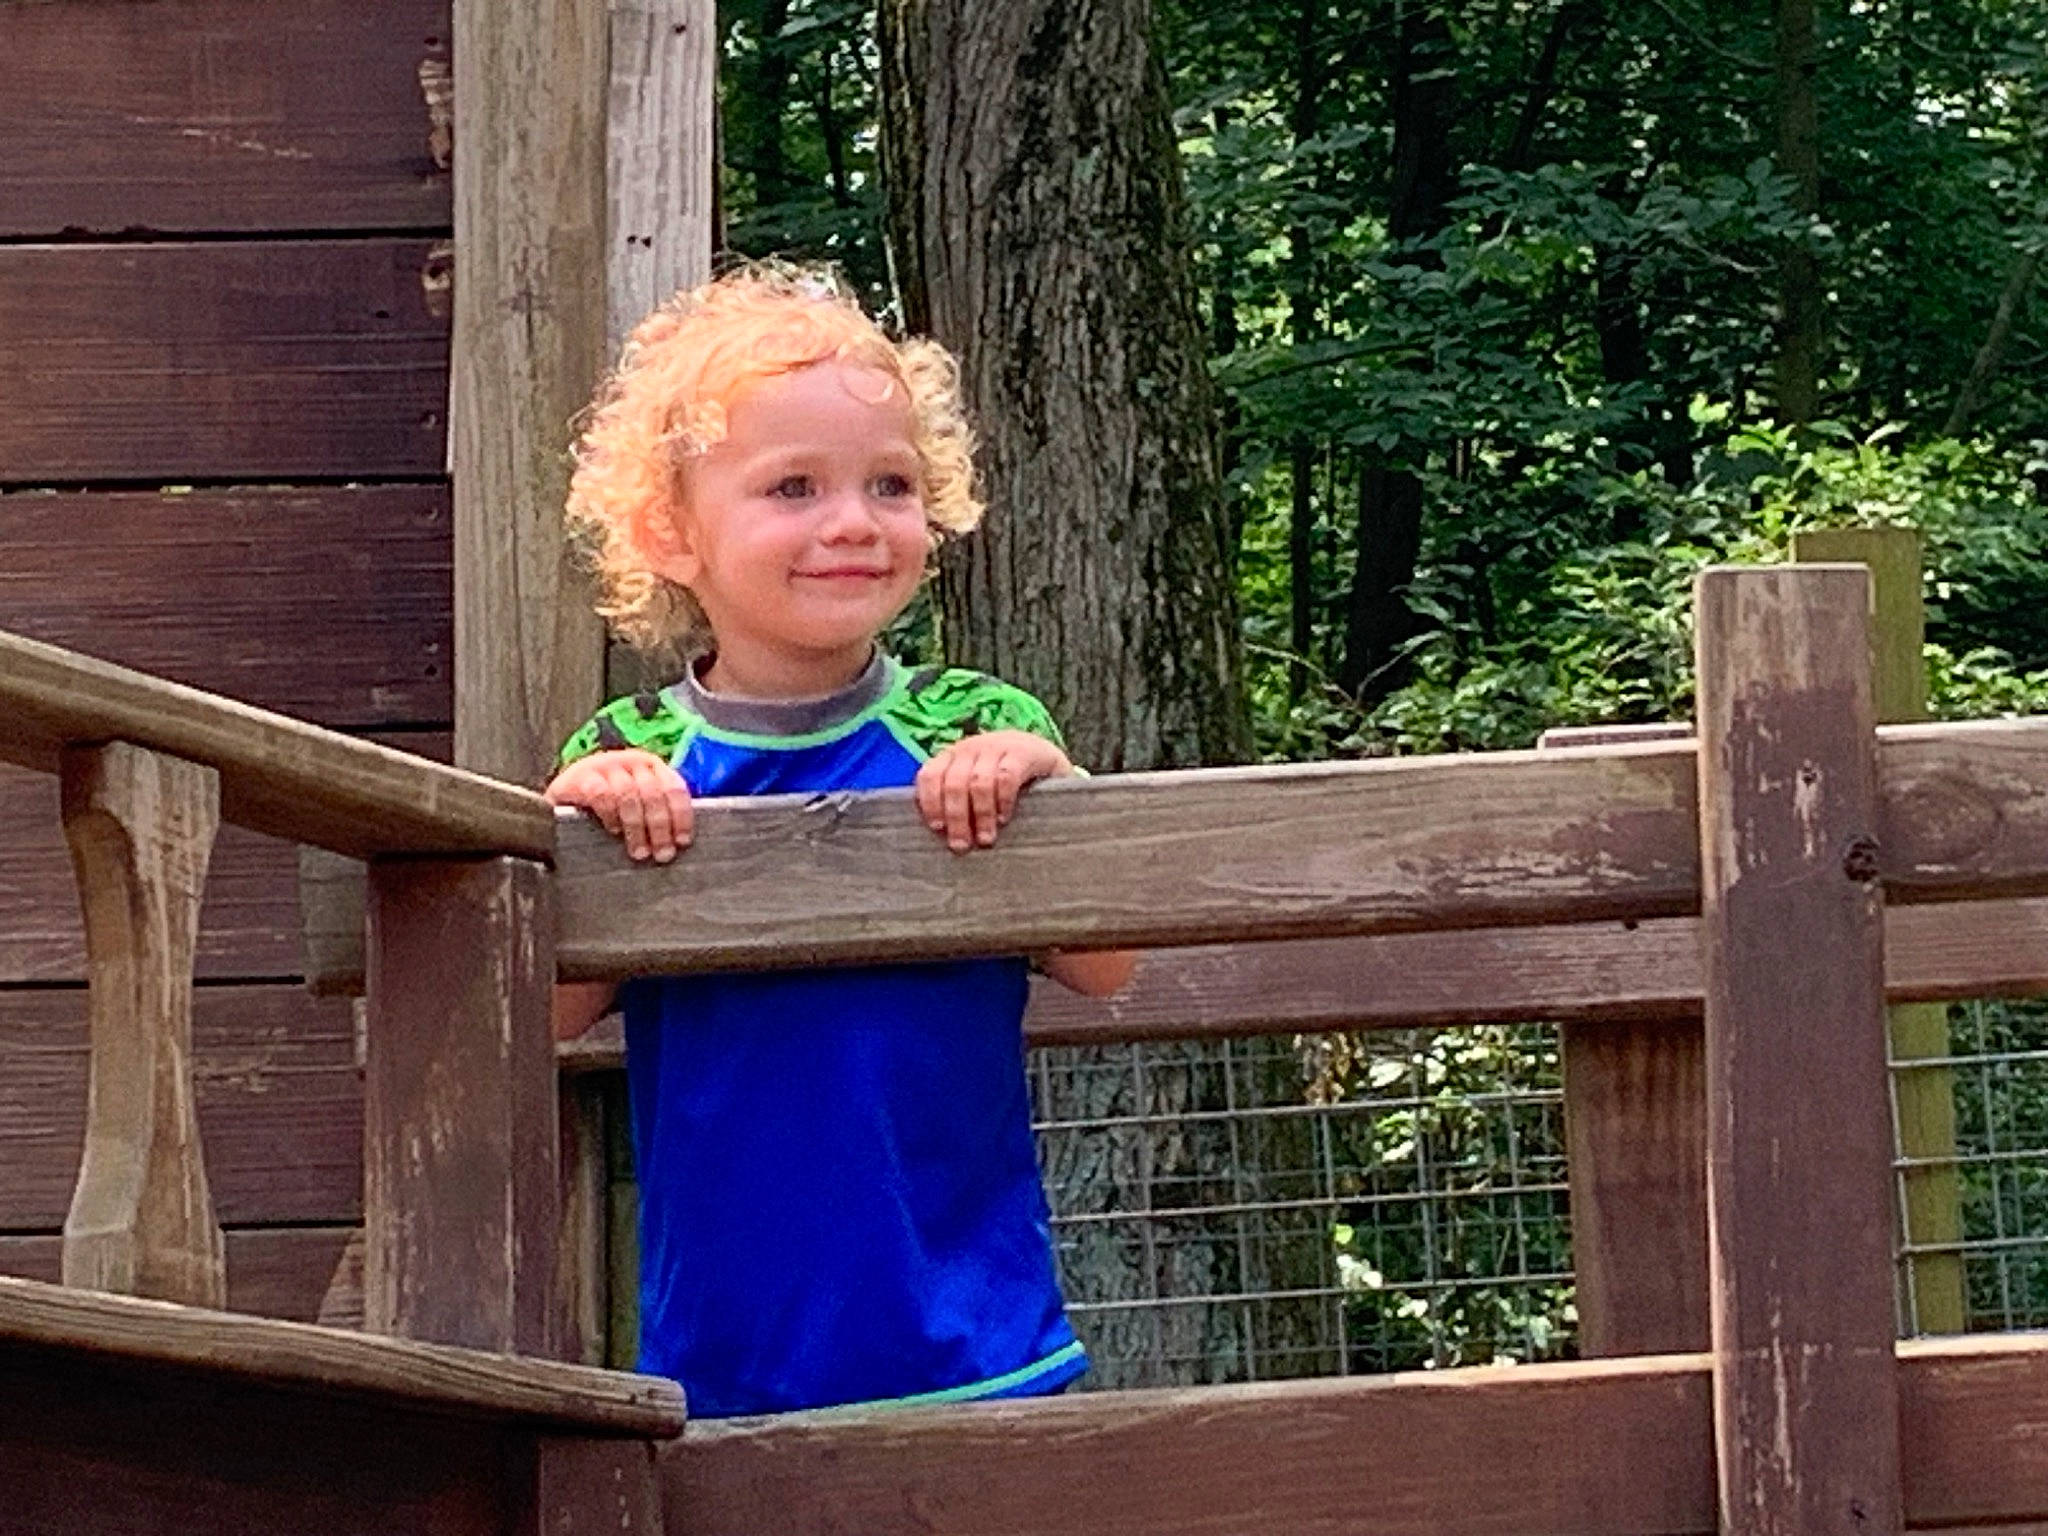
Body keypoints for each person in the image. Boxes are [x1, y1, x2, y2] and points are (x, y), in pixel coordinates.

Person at [545, 264, 1136, 1419]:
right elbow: (546, 1017)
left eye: (890, 485)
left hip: (978, 1349)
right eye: (794, 488)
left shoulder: (975, 726)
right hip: (726, 1369)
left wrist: (1046, 786)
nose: (853, 523)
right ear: (671, 532)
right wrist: (574, 819)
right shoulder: (633, 753)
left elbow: (1106, 965)